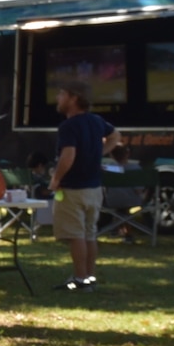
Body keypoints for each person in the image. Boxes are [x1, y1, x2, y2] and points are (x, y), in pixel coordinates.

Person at [50, 83, 118, 291]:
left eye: (61, 93)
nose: (58, 98)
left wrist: (56, 179)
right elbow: (116, 135)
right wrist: (99, 153)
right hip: (94, 188)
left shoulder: (68, 126)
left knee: (75, 235)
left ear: (73, 98)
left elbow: (68, 155)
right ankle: (89, 277)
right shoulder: (97, 121)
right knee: (90, 233)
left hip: (73, 188)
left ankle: (79, 279)